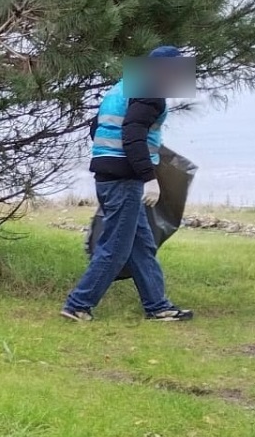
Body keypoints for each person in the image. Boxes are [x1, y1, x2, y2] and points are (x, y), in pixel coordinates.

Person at [62, 46, 195, 323]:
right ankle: (78, 304)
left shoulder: (121, 87)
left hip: (109, 174)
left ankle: (158, 306)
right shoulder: (149, 92)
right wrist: (149, 177)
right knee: (116, 248)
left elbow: (95, 128)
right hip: (125, 179)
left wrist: (111, 160)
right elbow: (132, 134)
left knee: (141, 245)